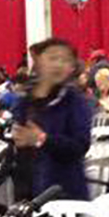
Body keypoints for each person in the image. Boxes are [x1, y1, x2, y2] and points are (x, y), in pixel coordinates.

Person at [11, 38, 94, 200]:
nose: (58, 64)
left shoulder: (74, 101)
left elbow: (80, 146)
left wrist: (42, 139)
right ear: (38, 61)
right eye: (53, 58)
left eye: (65, 60)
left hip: (63, 193)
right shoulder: (24, 100)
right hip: (26, 190)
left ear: (72, 68)